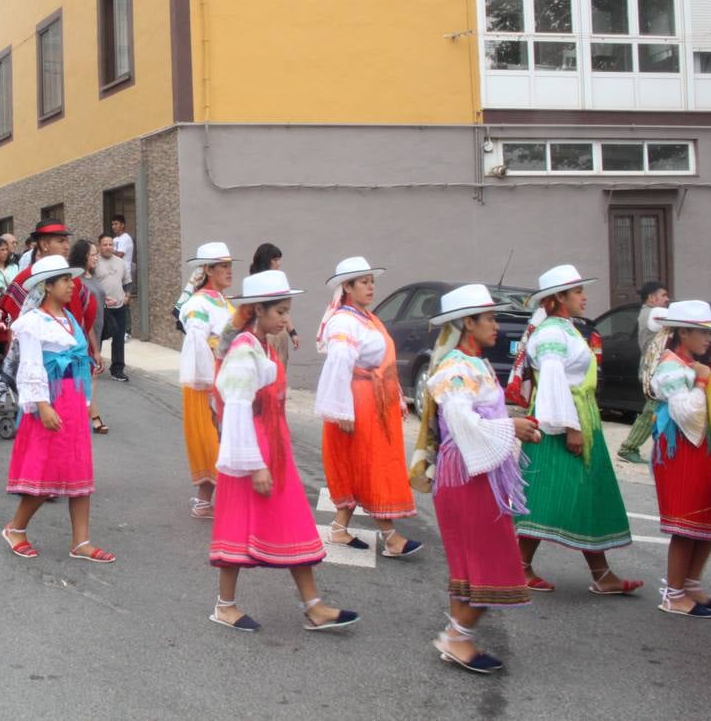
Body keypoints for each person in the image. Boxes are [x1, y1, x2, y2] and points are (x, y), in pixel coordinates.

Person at [207, 269, 359, 633]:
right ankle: (225, 605)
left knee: (293, 520)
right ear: (259, 310)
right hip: (252, 450)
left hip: (274, 446)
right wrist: (255, 464)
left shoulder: (259, 345)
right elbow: (238, 407)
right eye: (280, 312)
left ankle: (314, 605)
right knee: (238, 524)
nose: (286, 319)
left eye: (287, 311)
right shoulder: (244, 349)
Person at [421, 285, 541, 673]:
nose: (496, 325)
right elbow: (461, 421)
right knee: (491, 564)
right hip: (467, 474)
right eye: (489, 318)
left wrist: (514, 427)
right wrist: (512, 427)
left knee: (471, 566)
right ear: (467, 323)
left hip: (474, 471)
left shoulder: (474, 364)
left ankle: (460, 638)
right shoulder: (456, 368)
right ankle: (456, 636)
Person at [509, 265, 639, 595]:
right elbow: (553, 380)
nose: (584, 296)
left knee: (585, 494)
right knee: (546, 494)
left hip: (579, 415)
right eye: (577, 291)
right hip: (560, 419)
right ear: (559, 298)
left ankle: (602, 573)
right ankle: (518, 567)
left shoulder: (564, 328)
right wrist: (570, 427)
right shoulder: (552, 333)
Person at [0, 256, 116, 564]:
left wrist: (86, 401)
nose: (71, 285)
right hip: (49, 402)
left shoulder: (69, 319)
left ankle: (81, 541)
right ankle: (16, 528)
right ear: (47, 287)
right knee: (45, 470)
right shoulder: (32, 323)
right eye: (64, 280)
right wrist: (42, 405)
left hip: (73, 401)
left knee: (79, 469)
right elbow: (31, 367)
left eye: (70, 279)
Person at [314, 256, 422, 556]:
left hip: (373, 402)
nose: (371, 286)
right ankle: (391, 538)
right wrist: (342, 409)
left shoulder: (365, 318)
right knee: (370, 465)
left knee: (360, 465)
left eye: (371, 281)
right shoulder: (345, 321)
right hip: (358, 402)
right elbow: (339, 364)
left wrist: (395, 396)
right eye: (364, 281)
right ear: (347, 287)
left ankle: (339, 529)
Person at [643, 300, 711, 617]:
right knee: (686, 524)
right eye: (702, 334)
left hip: (700, 451)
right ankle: (674, 593)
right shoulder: (671, 368)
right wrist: (702, 381)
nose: (709, 340)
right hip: (681, 453)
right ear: (683, 333)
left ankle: (691, 584)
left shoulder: (689, 365)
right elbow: (688, 414)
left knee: (710, 519)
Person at [179, 242, 237, 520]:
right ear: (208, 270)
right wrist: (209, 382)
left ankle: (205, 500)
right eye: (223, 266)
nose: (229, 271)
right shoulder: (198, 303)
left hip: (228, 376)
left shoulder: (224, 301)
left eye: (229, 265)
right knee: (213, 436)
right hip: (208, 378)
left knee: (224, 436)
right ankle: (220, 499)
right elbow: (197, 342)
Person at [618, 280, 672, 464]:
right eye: (663, 295)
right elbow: (679, 317)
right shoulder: (655, 313)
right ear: (651, 298)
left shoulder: (647, 313)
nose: (667, 299)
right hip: (654, 371)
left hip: (654, 369)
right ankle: (629, 447)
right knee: (651, 411)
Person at [69, 238, 109, 434]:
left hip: (98, 330)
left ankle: (89, 414)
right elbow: (83, 317)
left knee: (91, 375)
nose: (96, 258)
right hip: (86, 334)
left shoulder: (91, 277)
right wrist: (94, 348)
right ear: (83, 256)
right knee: (90, 375)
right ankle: (91, 416)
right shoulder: (76, 281)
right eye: (93, 254)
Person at [250, 243, 301, 367]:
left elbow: (284, 311)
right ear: (265, 260)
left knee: (281, 369)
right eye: (275, 259)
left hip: (281, 331)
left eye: (279, 259)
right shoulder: (253, 282)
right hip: (263, 332)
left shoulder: (280, 281)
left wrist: (292, 333)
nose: (279, 263)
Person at [94, 234, 132, 383]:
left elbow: (127, 282)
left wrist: (127, 295)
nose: (108, 247)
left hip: (119, 306)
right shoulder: (95, 262)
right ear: (99, 246)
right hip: (101, 307)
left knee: (119, 338)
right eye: (105, 244)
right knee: (98, 337)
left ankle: (117, 369)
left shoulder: (121, 262)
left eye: (111, 244)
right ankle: (95, 364)